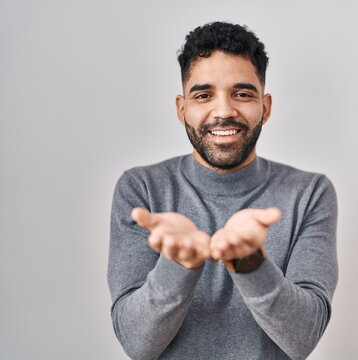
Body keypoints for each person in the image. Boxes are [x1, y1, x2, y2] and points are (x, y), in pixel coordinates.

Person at [107, 21, 338, 360]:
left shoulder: (309, 193)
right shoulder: (141, 189)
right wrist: (178, 263)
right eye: (203, 95)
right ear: (182, 108)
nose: (224, 111)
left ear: (266, 107)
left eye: (242, 94)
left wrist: (249, 262)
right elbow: (137, 343)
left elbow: (302, 338)